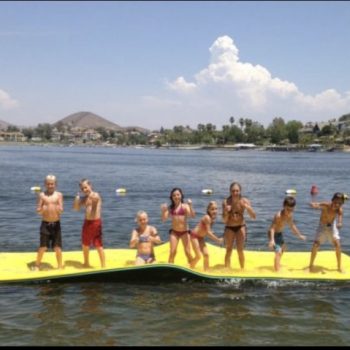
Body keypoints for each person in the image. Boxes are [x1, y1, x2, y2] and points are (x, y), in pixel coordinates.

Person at [309, 192, 346, 273]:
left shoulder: (339, 210)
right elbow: (317, 205)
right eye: (335, 202)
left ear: (342, 203)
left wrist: (340, 223)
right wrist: (313, 205)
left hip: (332, 226)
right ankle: (311, 265)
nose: (337, 204)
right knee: (316, 245)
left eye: (339, 203)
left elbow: (340, 219)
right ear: (332, 200)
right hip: (322, 226)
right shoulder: (326, 205)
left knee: (337, 245)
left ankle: (339, 267)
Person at [222, 182, 256, 270]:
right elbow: (224, 220)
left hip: (241, 226)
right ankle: (226, 269)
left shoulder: (245, 201)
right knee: (228, 249)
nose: (235, 193)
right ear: (230, 191)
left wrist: (248, 208)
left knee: (240, 250)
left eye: (237, 191)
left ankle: (242, 269)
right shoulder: (226, 202)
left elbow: (253, 217)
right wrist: (226, 212)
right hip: (229, 227)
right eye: (233, 191)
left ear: (240, 191)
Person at [268, 196, 306, 272]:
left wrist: (299, 235)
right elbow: (272, 228)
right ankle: (277, 271)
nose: (289, 211)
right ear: (284, 206)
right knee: (278, 252)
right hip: (273, 234)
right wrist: (272, 240)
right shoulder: (278, 216)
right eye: (288, 209)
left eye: (291, 210)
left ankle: (277, 263)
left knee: (283, 249)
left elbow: (292, 226)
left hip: (279, 234)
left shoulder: (289, 215)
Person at [73, 179, 105, 268]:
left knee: (98, 244)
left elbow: (96, 200)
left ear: (90, 186)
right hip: (87, 222)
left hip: (95, 222)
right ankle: (86, 263)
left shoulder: (95, 195)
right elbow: (76, 208)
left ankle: (103, 265)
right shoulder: (84, 199)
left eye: (86, 187)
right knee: (85, 244)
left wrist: (94, 199)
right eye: (82, 188)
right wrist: (77, 198)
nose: (84, 190)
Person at [35, 174, 64, 270]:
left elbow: (61, 209)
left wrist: (59, 209)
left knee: (57, 247)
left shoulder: (59, 195)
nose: (50, 186)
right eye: (48, 184)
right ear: (45, 184)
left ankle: (60, 266)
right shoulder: (42, 195)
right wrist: (41, 209)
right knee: (43, 247)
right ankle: (37, 265)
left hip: (56, 224)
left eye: (52, 184)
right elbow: (38, 210)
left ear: (56, 184)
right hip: (45, 224)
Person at [161, 187, 195, 264]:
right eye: (174, 195)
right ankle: (170, 269)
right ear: (172, 197)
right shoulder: (170, 208)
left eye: (178, 195)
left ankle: (192, 267)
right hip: (174, 232)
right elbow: (163, 219)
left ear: (181, 195)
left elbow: (192, 216)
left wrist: (190, 206)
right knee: (172, 252)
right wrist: (163, 211)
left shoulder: (185, 206)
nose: (176, 197)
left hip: (185, 232)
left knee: (188, 252)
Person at [190, 201, 224, 271]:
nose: (214, 211)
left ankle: (206, 270)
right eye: (212, 209)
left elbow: (208, 230)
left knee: (206, 254)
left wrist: (211, 232)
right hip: (194, 236)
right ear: (208, 210)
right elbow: (208, 233)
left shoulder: (212, 219)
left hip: (201, 237)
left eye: (216, 209)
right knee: (198, 256)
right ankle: (190, 268)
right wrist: (217, 240)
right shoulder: (207, 218)